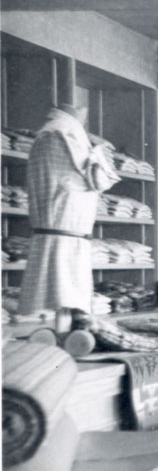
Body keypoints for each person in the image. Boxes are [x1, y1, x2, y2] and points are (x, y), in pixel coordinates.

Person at [18, 103, 119, 325]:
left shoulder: (59, 132)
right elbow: (99, 179)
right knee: (63, 300)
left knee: (66, 303)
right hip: (63, 231)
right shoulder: (61, 134)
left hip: (66, 231)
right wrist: (98, 148)